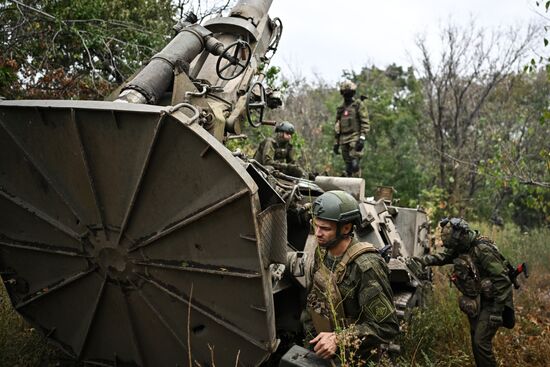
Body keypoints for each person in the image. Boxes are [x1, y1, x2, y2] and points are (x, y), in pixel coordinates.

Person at [302, 190, 399, 363]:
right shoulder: (322, 252)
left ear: (346, 228)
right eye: (315, 226)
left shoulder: (366, 266)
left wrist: (339, 339)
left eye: (325, 228)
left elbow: (387, 327)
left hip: (354, 357)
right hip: (320, 350)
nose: (317, 233)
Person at [412, 217, 515, 367]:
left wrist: (497, 312)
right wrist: (423, 261)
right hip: (478, 299)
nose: (454, 248)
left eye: (456, 244)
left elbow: (503, 281)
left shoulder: (482, 250)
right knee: (475, 339)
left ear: (463, 236)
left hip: (494, 301)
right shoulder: (461, 245)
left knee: (480, 342)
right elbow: (444, 257)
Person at [333, 80, 370, 177]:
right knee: (348, 166)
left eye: (349, 92)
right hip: (343, 139)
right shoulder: (341, 108)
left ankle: (357, 187)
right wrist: (336, 142)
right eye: (346, 92)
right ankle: (349, 187)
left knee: (355, 164)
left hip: (355, 136)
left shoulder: (358, 105)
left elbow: (365, 122)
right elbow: (337, 125)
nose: (347, 95)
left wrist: (362, 138)